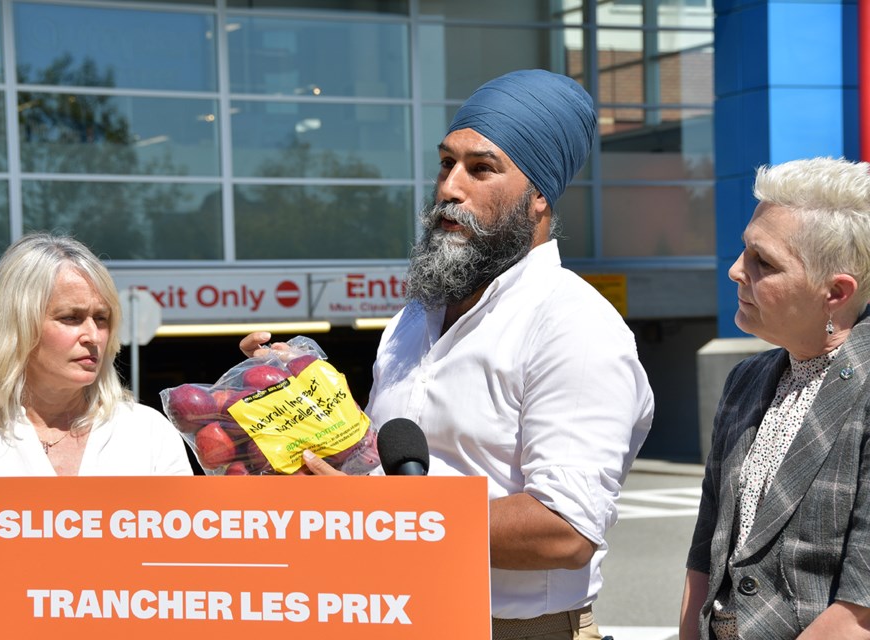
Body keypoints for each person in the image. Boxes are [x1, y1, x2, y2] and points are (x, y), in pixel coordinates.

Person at [242, 69, 654, 640]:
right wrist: (298, 395)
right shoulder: (414, 320)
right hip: (392, 617)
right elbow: (374, 465)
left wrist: (381, 516)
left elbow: (564, 529)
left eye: (481, 168)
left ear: (539, 196)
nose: (448, 188)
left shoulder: (573, 326)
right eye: (445, 163)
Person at [0, 233, 192, 640]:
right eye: (70, 318)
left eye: (102, 318)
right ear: (17, 324)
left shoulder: (147, 432)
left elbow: (185, 573)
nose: (93, 335)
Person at [679, 157, 870, 640]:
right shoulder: (747, 379)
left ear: (836, 291)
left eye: (764, 262)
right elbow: (706, 551)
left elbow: (861, 608)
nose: (736, 270)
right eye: (745, 250)